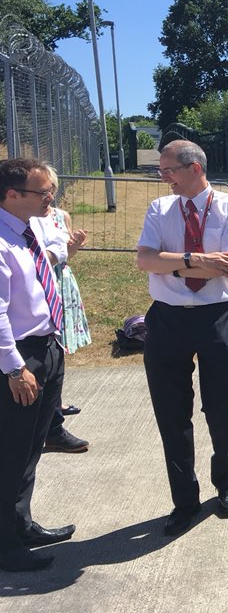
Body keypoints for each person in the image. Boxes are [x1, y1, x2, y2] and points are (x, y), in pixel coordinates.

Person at [136, 140, 228, 537]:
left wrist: (168, 264)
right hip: (167, 319)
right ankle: (184, 499)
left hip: (216, 317)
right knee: (171, 413)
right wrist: (195, 260)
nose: (163, 177)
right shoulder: (160, 209)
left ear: (195, 168)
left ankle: (225, 480)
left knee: (222, 405)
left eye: (168, 170)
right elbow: (145, 260)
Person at [0, 158, 76, 572]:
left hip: (46, 348)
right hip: (19, 359)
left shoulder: (28, 232)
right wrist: (15, 369)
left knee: (31, 447)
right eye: (43, 191)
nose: (51, 197)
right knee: (10, 453)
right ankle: (6, 545)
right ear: (12, 195)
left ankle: (21, 524)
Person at [36, 166, 90, 454]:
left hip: (59, 283)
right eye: (42, 191)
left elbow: (64, 256)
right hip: (36, 288)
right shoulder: (21, 219)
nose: (49, 197)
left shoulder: (60, 217)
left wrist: (74, 246)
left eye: (51, 190)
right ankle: (50, 420)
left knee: (56, 350)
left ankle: (53, 414)